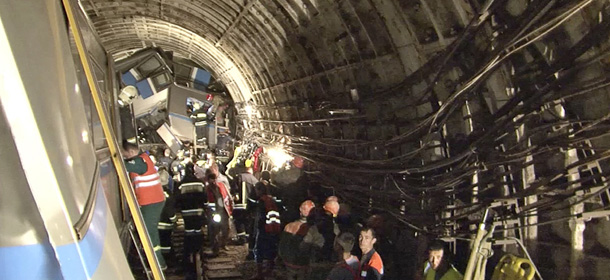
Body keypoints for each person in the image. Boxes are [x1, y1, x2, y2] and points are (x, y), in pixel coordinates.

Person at [121, 141, 167, 269]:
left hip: (151, 202)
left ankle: (158, 263)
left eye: (125, 155)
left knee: (149, 231)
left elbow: (122, 165)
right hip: (151, 201)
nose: (125, 158)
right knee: (148, 230)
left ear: (131, 152)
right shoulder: (143, 160)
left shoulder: (140, 162)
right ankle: (154, 260)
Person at [175, 163, 207, 279]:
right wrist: (205, 209)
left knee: (189, 232)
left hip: (187, 213)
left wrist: (180, 209)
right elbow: (205, 198)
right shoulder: (200, 183)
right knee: (198, 231)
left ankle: (189, 256)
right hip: (198, 212)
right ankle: (198, 249)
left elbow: (177, 199)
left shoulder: (181, 184)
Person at [279, 200, 323, 280]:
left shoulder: (288, 226)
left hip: (288, 263)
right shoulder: (312, 230)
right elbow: (315, 248)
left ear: (300, 212)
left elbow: (282, 246)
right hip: (303, 265)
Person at [250, 182, 282, 279]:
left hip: (264, 229)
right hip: (273, 228)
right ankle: (269, 271)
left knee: (259, 250)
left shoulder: (261, 202)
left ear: (259, 190)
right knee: (271, 250)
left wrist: (255, 230)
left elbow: (261, 218)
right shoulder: (272, 200)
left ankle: (259, 274)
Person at [205, 170, 232, 256]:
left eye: (214, 179)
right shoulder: (207, 189)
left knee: (225, 228)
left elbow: (227, 195)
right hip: (214, 212)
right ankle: (215, 248)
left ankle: (223, 244)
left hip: (223, 210)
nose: (213, 181)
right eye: (211, 179)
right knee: (214, 230)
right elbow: (208, 202)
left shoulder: (221, 185)